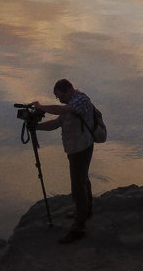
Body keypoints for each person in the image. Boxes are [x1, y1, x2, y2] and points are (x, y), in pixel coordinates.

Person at [30, 79, 97, 243]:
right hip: (75, 148)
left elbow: (61, 109)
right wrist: (35, 127)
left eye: (59, 96)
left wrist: (41, 107)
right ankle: (86, 211)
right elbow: (56, 123)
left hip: (82, 148)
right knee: (82, 180)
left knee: (77, 187)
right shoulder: (70, 103)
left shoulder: (80, 100)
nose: (59, 100)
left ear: (68, 90)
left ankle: (79, 227)